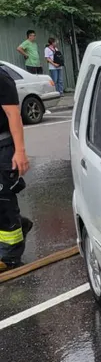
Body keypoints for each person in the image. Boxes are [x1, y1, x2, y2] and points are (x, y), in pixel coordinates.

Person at [0, 63, 31, 272]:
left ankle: (11, 256)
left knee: (3, 200)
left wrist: (20, 151)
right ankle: (21, 224)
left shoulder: (2, 79)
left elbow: (13, 115)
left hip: (3, 146)